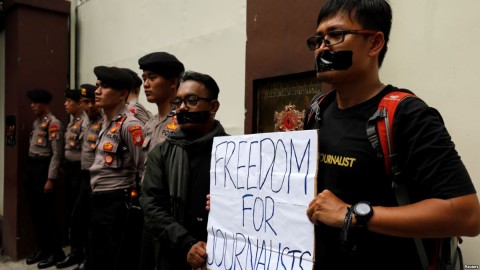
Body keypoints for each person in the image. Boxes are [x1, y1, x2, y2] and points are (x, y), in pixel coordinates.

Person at [303, 0, 480, 269]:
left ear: (374, 44)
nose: (322, 47)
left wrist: (353, 214)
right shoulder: (317, 111)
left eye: (336, 35)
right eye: (318, 39)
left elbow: (468, 215)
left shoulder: (408, 116)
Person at [140, 71, 228, 270]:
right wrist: (187, 244)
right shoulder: (161, 153)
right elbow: (152, 206)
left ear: (213, 106)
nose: (181, 108)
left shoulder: (235, 151)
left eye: (191, 100)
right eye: (177, 102)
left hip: (224, 256)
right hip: (174, 255)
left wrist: (231, 201)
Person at [89, 66, 146, 270]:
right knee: (98, 258)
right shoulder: (105, 122)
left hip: (117, 204)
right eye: (97, 86)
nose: (97, 91)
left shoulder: (130, 125)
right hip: (98, 199)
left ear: (122, 93)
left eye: (104, 86)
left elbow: (143, 168)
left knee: (117, 260)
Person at [137, 51, 184, 270]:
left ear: (173, 82)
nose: (146, 84)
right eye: (144, 78)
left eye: (152, 78)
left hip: (171, 212)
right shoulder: (150, 124)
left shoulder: (184, 123)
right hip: (149, 210)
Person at [25, 88, 66, 269]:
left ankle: (56, 253)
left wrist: (50, 179)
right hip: (33, 168)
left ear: (44, 104)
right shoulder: (37, 123)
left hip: (44, 169)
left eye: (35, 102)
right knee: (37, 214)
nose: (32, 106)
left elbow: (56, 154)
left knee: (48, 215)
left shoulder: (54, 123)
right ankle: (43, 249)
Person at [73, 83, 104, 270]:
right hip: (82, 176)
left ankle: (91, 261)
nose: (90, 106)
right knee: (80, 219)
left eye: (93, 101)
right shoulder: (83, 121)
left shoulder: (104, 121)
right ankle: (84, 257)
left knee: (94, 223)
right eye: (85, 102)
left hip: (96, 179)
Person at [55, 88, 86, 269]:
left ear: (79, 103)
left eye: (69, 101)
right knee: (71, 215)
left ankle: (81, 253)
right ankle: (75, 252)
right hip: (70, 172)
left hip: (80, 172)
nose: (65, 104)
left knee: (79, 215)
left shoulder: (85, 123)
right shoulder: (73, 123)